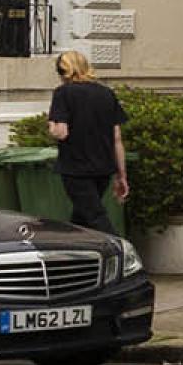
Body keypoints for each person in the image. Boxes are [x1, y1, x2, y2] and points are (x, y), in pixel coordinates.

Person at [45, 51, 127, 233]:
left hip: (76, 170)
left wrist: (51, 125)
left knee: (96, 218)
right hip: (103, 170)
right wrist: (121, 176)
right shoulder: (106, 94)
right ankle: (71, 257)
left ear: (63, 71)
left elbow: (61, 132)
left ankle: (122, 254)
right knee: (81, 221)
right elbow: (117, 139)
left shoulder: (63, 93)